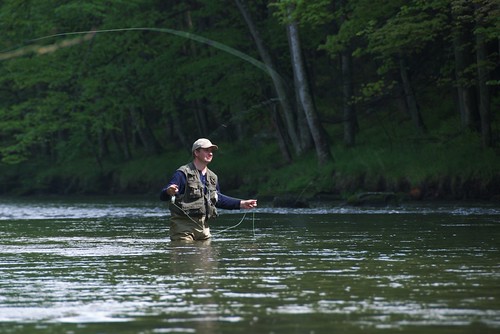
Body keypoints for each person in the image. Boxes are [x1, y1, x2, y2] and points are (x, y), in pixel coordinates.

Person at [160, 138, 257, 241]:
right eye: (206, 150)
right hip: (183, 227)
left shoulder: (212, 177)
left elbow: (218, 199)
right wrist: (169, 191)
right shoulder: (183, 173)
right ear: (196, 152)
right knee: (185, 254)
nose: (210, 154)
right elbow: (163, 195)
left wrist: (242, 204)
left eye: (211, 151)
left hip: (204, 228)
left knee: (206, 255)